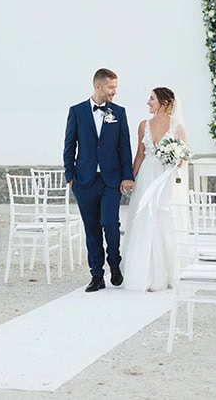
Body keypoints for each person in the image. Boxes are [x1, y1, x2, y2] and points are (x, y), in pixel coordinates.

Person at [63, 68, 135, 292]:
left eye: (115, 87)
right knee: (92, 228)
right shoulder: (76, 111)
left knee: (110, 223)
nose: (114, 91)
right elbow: (69, 145)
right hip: (84, 181)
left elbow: (125, 146)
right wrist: (70, 176)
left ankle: (114, 263)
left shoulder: (119, 112)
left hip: (110, 180)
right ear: (98, 86)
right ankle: (96, 274)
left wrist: (127, 176)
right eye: (111, 87)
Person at [122, 87, 188, 292]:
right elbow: (140, 155)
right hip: (146, 177)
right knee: (145, 219)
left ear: (164, 102)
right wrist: (130, 178)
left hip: (165, 179)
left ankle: (165, 273)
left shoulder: (177, 127)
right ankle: (144, 273)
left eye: (151, 99)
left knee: (164, 220)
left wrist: (178, 160)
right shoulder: (144, 125)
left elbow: (183, 156)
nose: (148, 102)